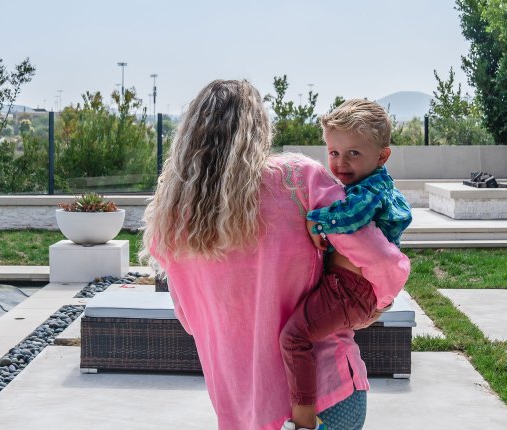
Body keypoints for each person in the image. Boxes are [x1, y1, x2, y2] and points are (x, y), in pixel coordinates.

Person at [141, 80, 410, 430]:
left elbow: (192, 322)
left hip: (244, 409)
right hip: (327, 392)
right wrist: (377, 304)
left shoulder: (171, 221)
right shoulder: (297, 180)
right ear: (258, 129)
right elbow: (383, 260)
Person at [279, 99, 413, 430]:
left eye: (354, 153)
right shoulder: (360, 185)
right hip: (348, 289)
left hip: (349, 290)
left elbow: (350, 219)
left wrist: (316, 221)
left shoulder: (372, 188)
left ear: (382, 156)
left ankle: (304, 420)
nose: (341, 163)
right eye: (334, 152)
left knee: (294, 337)